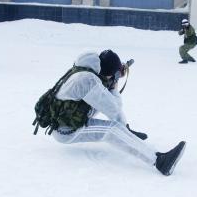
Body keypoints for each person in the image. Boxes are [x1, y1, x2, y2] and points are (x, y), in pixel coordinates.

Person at [50, 50, 186, 176]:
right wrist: (114, 85)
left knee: (115, 124)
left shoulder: (86, 70)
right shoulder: (89, 81)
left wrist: (111, 79)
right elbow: (114, 108)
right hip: (67, 130)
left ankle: (125, 131)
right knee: (111, 130)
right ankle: (159, 162)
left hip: (69, 117)